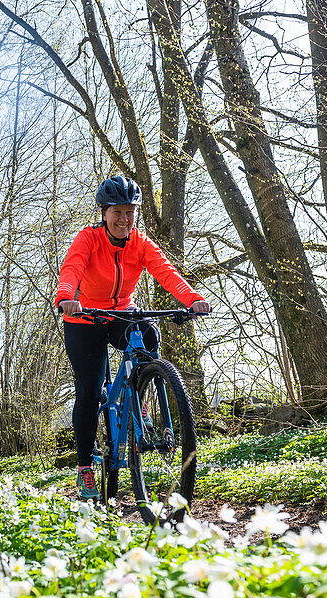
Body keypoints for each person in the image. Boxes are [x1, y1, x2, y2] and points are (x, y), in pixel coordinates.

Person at [54, 175, 210, 499]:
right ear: (104, 213)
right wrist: (67, 295)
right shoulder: (88, 239)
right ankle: (85, 467)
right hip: (83, 317)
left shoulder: (139, 242)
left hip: (120, 312)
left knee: (149, 334)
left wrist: (191, 298)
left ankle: (137, 403)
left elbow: (166, 272)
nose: (124, 219)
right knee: (89, 388)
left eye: (130, 212)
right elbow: (71, 269)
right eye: (118, 212)